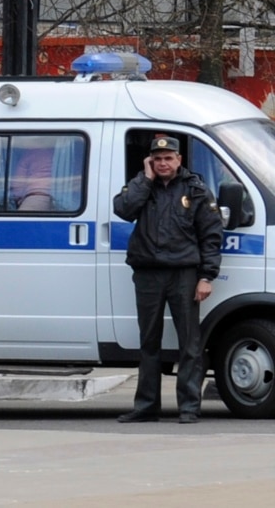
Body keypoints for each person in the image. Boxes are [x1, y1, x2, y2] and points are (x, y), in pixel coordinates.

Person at [113, 136, 222, 425]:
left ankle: (188, 407)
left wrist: (206, 276)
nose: (163, 163)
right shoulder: (141, 186)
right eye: (157, 158)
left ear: (179, 160)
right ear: (150, 160)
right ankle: (147, 406)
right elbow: (123, 209)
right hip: (148, 272)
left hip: (183, 274)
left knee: (189, 343)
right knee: (149, 342)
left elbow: (211, 236)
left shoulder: (195, 189)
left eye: (168, 158)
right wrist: (145, 178)